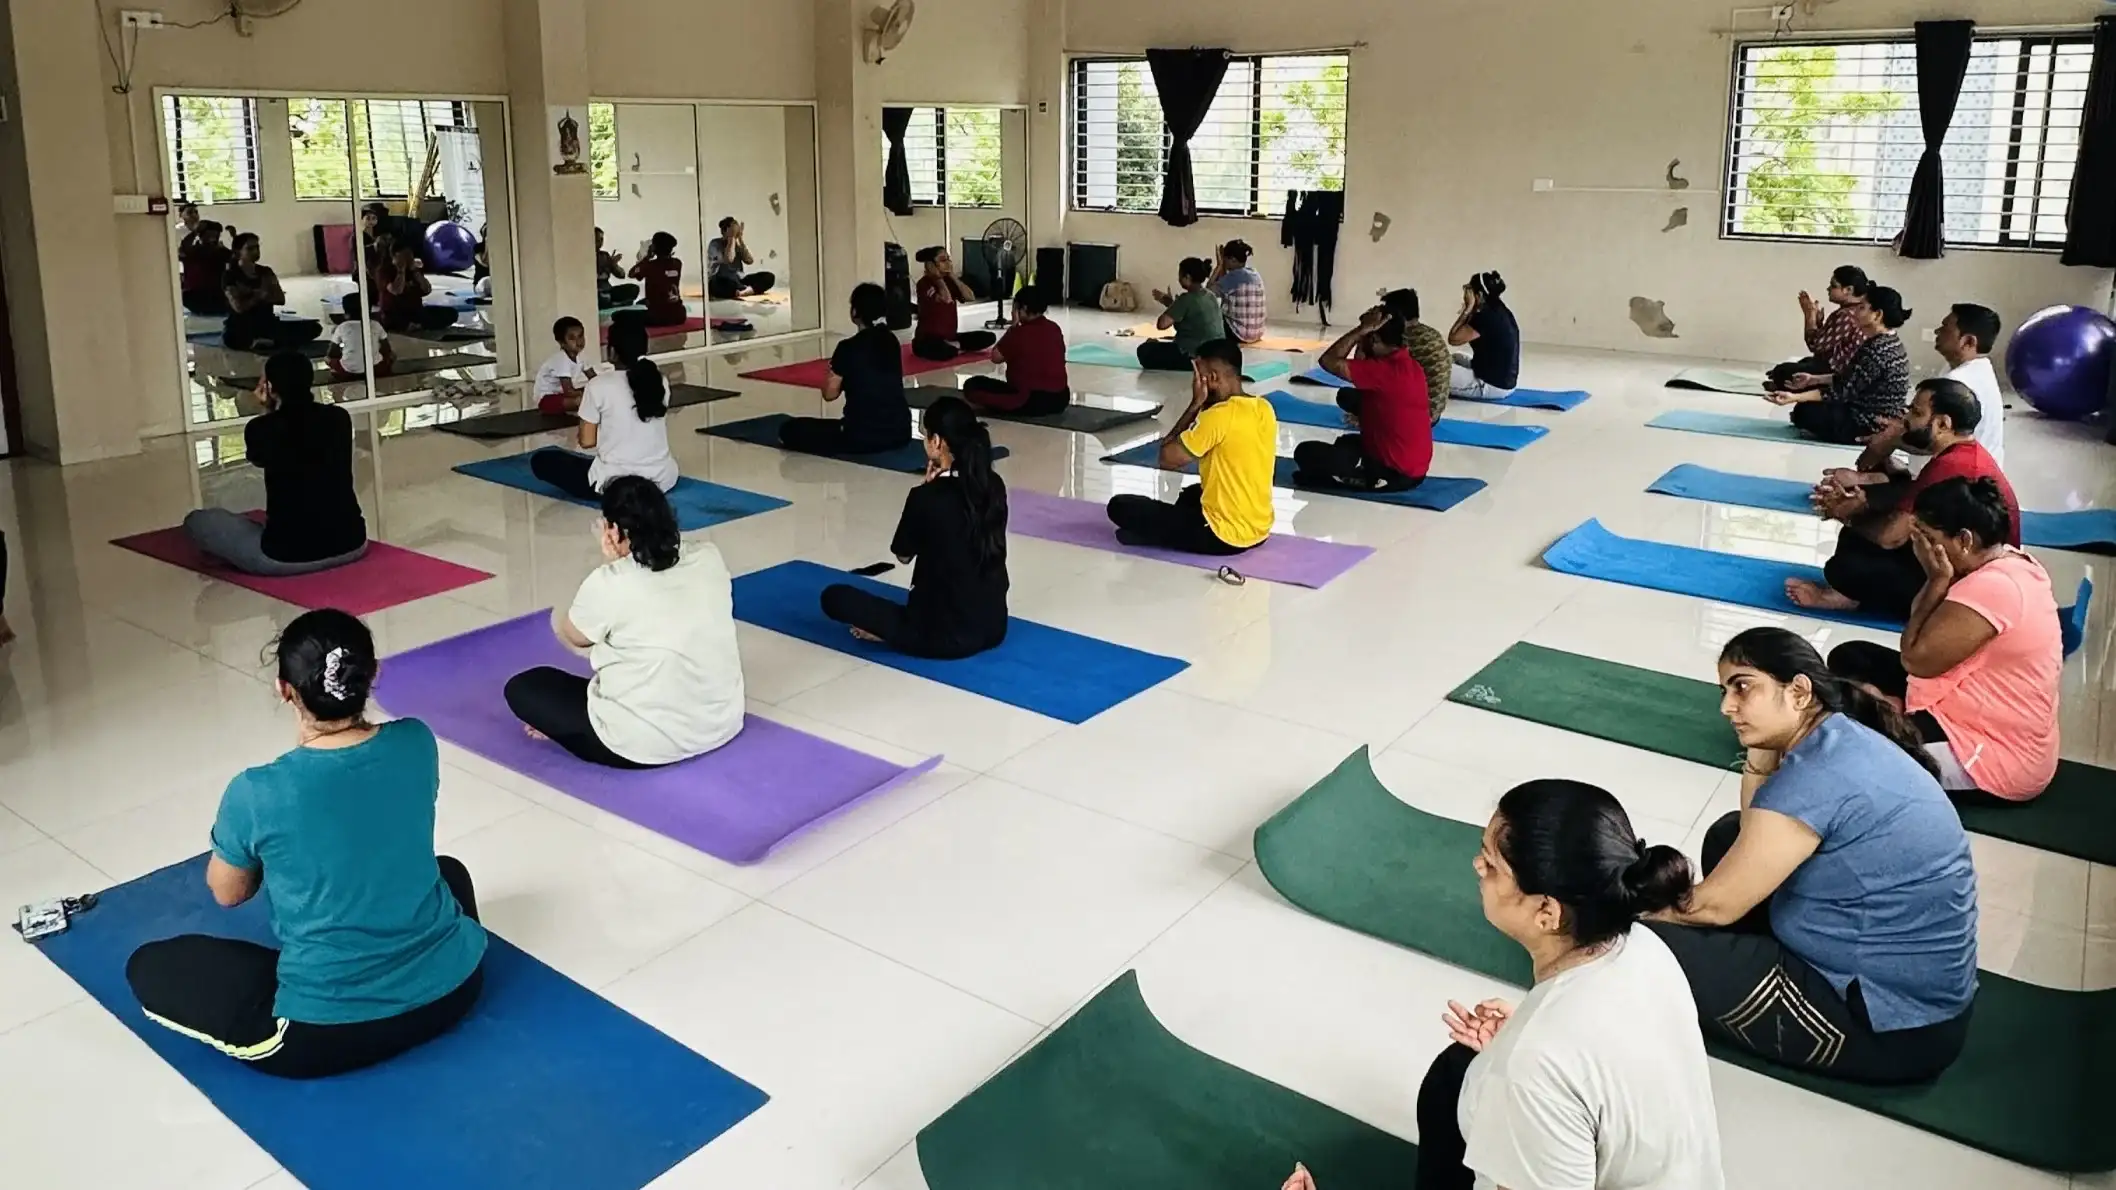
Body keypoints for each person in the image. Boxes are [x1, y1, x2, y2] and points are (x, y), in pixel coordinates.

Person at [1284, 782, 1722, 1190]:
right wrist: (1528, 1040)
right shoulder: (1643, 947)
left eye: (1491, 865)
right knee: (1457, 1074)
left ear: (1546, 911)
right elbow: (1604, 1061)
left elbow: (1554, 1065)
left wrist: (1529, 1056)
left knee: (1478, 1080)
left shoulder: (1530, 1068)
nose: (1477, 867)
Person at [124, 610, 487, 1079]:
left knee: (149, 966)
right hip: (456, 988)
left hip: (327, 1033)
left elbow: (228, 893)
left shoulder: (258, 790)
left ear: (284, 690)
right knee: (449, 871)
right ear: (372, 675)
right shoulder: (417, 740)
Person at [1644, 627, 1978, 1084]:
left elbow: (1715, 906)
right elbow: (1751, 831)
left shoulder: (1816, 778)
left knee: (1642, 944)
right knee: (1727, 836)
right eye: (1725, 691)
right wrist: (1759, 756)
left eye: (1743, 687)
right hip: (1892, 979)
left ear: (1799, 691)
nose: (1726, 706)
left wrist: (1625, 911)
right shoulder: (1840, 738)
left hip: (1891, 1028)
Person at [1827, 478, 2061, 804]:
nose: (1919, 545)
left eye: (1927, 537)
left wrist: (1937, 580)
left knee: (1842, 738)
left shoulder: (1995, 588)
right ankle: (1891, 709)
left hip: (1993, 753)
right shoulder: (2006, 560)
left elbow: (1914, 660)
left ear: (1964, 539)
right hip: (1964, 703)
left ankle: (1891, 714)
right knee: (1850, 657)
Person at [504, 478, 745, 769]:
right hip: (722, 724)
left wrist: (609, 566)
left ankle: (568, 729)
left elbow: (573, 635)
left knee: (524, 688)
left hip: (640, 746)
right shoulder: (708, 555)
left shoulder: (612, 581)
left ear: (614, 531)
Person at [1792, 377, 2018, 619]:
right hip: (1963, 561)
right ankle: (1850, 595)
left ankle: (1849, 598)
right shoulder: (1960, 454)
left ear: (1942, 423)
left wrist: (1845, 514)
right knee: (1861, 532)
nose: (1907, 418)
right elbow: (1912, 496)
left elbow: (1891, 538)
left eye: (1916, 412)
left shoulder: (1954, 465)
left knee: (1846, 567)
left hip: (1971, 587)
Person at [821, 397, 1010, 658]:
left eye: (925, 435)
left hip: (943, 637)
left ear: (937, 442)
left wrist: (926, 492)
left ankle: (894, 634)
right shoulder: (994, 486)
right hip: (994, 627)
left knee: (834, 597)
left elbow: (903, 555)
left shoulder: (927, 497)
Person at [184, 352, 367, 577]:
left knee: (198, 521)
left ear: (270, 387)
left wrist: (267, 410)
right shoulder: (339, 418)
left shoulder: (261, 428)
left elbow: (259, 457)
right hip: (353, 544)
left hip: (286, 556)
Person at [1106, 339, 1275, 555]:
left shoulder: (1218, 416)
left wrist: (1195, 404)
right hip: (1259, 529)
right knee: (1192, 495)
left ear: (1212, 378)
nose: (1195, 382)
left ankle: (1160, 535)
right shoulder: (1264, 408)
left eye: (1198, 376)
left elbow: (1167, 459)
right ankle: (1170, 529)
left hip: (1223, 537)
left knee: (1121, 506)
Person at [528, 319, 675, 501]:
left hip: (615, 483)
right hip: (663, 478)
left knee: (541, 460)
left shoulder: (599, 385)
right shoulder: (659, 380)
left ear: (612, 351)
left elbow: (587, 442)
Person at [1292, 305, 1430, 493]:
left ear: (1373, 338)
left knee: (1305, 452)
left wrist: (1360, 330)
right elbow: (1360, 364)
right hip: (1413, 466)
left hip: (1395, 473)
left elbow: (1328, 361)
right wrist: (1365, 335)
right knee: (1348, 410)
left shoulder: (1383, 371)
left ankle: (1357, 477)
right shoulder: (1409, 364)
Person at [1767, 285, 1912, 445]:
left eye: (1862, 308)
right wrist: (1813, 380)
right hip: (1881, 413)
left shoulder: (1875, 349)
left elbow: (1842, 391)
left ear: (1877, 315)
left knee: (1806, 411)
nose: (1855, 313)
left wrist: (1795, 397)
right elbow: (1853, 377)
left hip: (1870, 421)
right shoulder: (1891, 342)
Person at [778, 283, 913, 456]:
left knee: (790, 429)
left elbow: (829, 394)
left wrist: (832, 371)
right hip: (901, 432)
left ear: (855, 312)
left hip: (862, 436)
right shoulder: (891, 340)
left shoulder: (848, 347)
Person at [962, 287, 1068, 416]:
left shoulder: (1019, 333)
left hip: (1029, 400)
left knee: (973, 386)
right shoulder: (1054, 328)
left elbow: (995, 357)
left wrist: (1013, 328)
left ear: (1023, 309)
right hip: (1061, 398)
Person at [1770, 265, 1875, 393]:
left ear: (1848, 289)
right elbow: (1826, 345)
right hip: (1844, 369)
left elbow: (1815, 346)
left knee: (1782, 370)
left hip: (1840, 375)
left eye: (1833, 285)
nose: (1828, 289)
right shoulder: (1853, 310)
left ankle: (1783, 382)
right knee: (1804, 362)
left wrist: (1810, 316)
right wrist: (1819, 324)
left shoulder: (1846, 315)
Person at [221, 234, 321, 352]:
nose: (256, 251)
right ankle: (269, 342)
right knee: (231, 338)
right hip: (242, 325)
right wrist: (260, 295)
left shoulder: (265, 271)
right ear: (238, 252)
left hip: (267, 322)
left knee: (314, 328)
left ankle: (267, 342)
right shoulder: (230, 275)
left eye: (257, 247)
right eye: (250, 248)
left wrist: (252, 294)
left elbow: (280, 298)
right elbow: (239, 307)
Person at [1934, 303, 2005, 467]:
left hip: (1965, 479)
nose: (1937, 332)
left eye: (1945, 328)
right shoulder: (1970, 369)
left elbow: (1932, 438)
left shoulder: (1961, 381)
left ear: (1968, 341)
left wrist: (1891, 440)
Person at [911, 246, 998, 361]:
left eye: (948, 259)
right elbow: (946, 299)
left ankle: (955, 347)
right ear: (931, 265)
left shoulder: (949, 280)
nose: (948, 263)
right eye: (943, 260)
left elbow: (970, 297)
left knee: (989, 337)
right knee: (942, 350)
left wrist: (953, 276)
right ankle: (956, 348)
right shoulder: (923, 284)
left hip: (951, 337)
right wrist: (938, 278)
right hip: (927, 340)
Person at [1381, 287, 1455, 425]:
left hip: (1418, 417)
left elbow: (1370, 371)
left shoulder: (1403, 339)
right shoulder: (1432, 332)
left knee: (1349, 398)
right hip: (1435, 414)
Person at [1138, 257, 1224, 372]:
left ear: (1187, 277)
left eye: (1180, 275)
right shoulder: (1210, 295)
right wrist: (1170, 303)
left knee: (1145, 350)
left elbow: (1162, 324)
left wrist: (1171, 304)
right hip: (1217, 354)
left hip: (1193, 355)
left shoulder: (1186, 298)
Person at [1447, 271, 1519, 401]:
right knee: (1455, 357)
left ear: (1478, 295)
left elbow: (1453, 338)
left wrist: (1467, 308)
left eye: (1469, 291)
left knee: (1433, 372)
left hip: (1490, 385)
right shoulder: (1499, 310)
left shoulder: (1486, 316)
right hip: (1502, 380)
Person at [376, 243, 458, 334]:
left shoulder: (413, 271)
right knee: (394, 321)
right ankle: (413, 325)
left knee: (451, 314)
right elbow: (397, 290)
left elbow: (427, 289)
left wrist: (415, 271)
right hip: (395, 312)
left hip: (415, 310)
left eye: (410, 256)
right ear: (395, 256)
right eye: (405, 256)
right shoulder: (384, 271)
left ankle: (417, 325)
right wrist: (401, 271)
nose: (409, 259)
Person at [533, 316, 598, 415]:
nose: (579, 341)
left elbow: (594, 379)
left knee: (591, 394)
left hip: (562, 395)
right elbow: (568, 391)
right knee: (581, 401)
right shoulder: (561, 360)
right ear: (562, 343)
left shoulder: (582, 356)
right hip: (546, 399)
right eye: (572, 338)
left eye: (580, 336)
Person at [325, 292, 394, 382]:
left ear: (346, 311)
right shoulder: (375, 325)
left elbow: (331, 353)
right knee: (393, 356)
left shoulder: (342, 326)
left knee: (327, 359)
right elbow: (387, 349)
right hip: (375, 370)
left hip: (347, 372)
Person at [1209, 239, 1268, 344]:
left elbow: (1207, 293)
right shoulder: (1254, 273)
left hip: (1239, 334)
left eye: (1225, 259)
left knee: (1208, 312)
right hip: (1257, 332)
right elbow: (1224, 284)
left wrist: (1219, 266)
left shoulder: (1234, 276)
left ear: (1232, 259)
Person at [706, 217, 777, 300]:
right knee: (718, 285)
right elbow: (729, 259)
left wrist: (740, 240)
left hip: (738, 279)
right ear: (723, 231)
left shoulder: (736, 244)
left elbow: (750, 260)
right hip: (721, 279)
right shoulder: (714, 244)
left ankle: (744, 292)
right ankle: (741, 290)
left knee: (769, 277)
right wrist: (731, 239)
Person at [629, 231, 689, 328]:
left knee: (619, 316)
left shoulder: (650, 266)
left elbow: (631, 273)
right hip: (679, 315)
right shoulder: (678, 263)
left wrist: (647, 257)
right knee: (643, 302)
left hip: (657, 316)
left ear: (654, 247)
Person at [179, 219, 232, 316]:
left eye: (216, 236)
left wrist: (234, 238)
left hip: (218, 297)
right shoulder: (192, 252)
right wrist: (195, 231)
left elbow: (237, 259)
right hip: (195, 297)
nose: (213, 239)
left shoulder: (221, 252)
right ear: (201, 236)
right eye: (209, 236)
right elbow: (183, 248)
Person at [595, 228, 639, 309]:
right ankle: (614, 304)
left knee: (633, 288)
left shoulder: (605, 255)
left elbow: (621, 275)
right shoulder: (585, 257)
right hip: (596, 291)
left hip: (608, 290)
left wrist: (614, 264)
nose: (600, 242)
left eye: (602, 239)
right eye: (598, 239)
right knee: (600, 297)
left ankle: (612, 302)